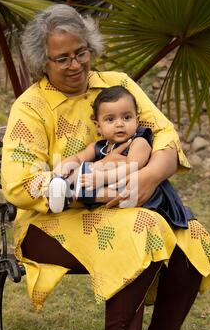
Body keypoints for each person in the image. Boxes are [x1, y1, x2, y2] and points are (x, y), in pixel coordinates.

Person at [1, 4, 210, 330]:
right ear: (41, 61)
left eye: (81, 52)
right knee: (143, 230)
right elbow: (18, 183)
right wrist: (90, 190)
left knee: (194, 236)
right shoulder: (30, 107)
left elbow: (166, 137)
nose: (74, 65)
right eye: (61, 58)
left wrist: (147, 179)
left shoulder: (117, 84)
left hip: (128, 209)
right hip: (50, 223)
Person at [48, 85, 194, 232]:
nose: (119, 124)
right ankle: (63, 188)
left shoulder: (139, 142)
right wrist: (65, 167)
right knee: (82, 171)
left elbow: (132, 168)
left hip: (142, 191)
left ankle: (70, 197)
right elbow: (79, 158)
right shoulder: (99, 146)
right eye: (110, 119)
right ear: (98, 126)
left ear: (136, 121)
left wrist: (102, 178)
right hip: (112, 187)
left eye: (126, 117)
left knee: (112, 183)